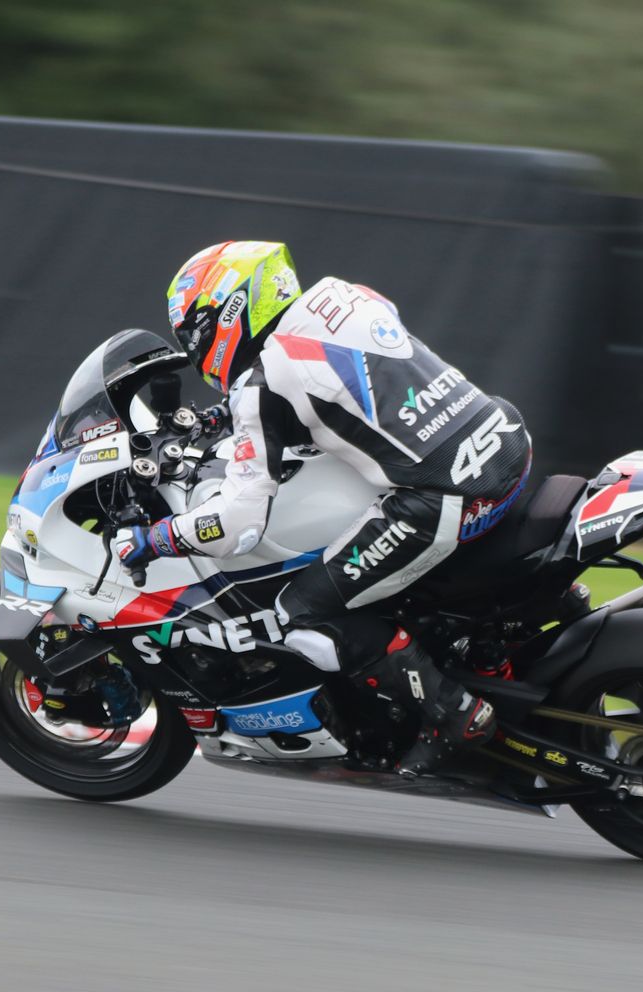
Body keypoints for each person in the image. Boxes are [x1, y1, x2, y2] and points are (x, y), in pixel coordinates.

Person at [112, 240, 531, 774]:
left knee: (302, 613)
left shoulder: (261, 384)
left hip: (445, 496)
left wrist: (157, 538)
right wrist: (232, 417)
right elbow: (354, 389)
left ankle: (455, 717)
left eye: (196, 333)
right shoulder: (349, 296)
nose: (197, 349)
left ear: (231, 312)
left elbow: (238, 525)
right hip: (504, 439)